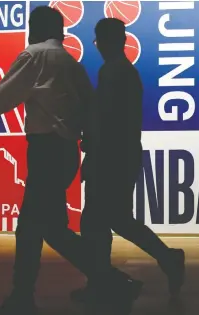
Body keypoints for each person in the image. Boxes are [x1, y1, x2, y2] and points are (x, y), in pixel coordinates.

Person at [0, 7, 131, 315]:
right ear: (60, 31)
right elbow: (90, 106)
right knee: (46, 228)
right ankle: (107, 281)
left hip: (46, 152)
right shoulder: (69, 62)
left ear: (35, 28)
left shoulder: (34, 56)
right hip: (65, 152)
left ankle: (103, 281)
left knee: (37, 229)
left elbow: (3, 95)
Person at [77, 18, 186, 310]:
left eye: (98, 41)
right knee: (111, 220)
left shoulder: (113, 72)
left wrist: (92, 153)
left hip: (111, 157)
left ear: (103, 42)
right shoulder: (123, 72)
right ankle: (159, 261)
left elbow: (108, 122)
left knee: (98, 222)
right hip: (122, 156)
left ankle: (105, 282)